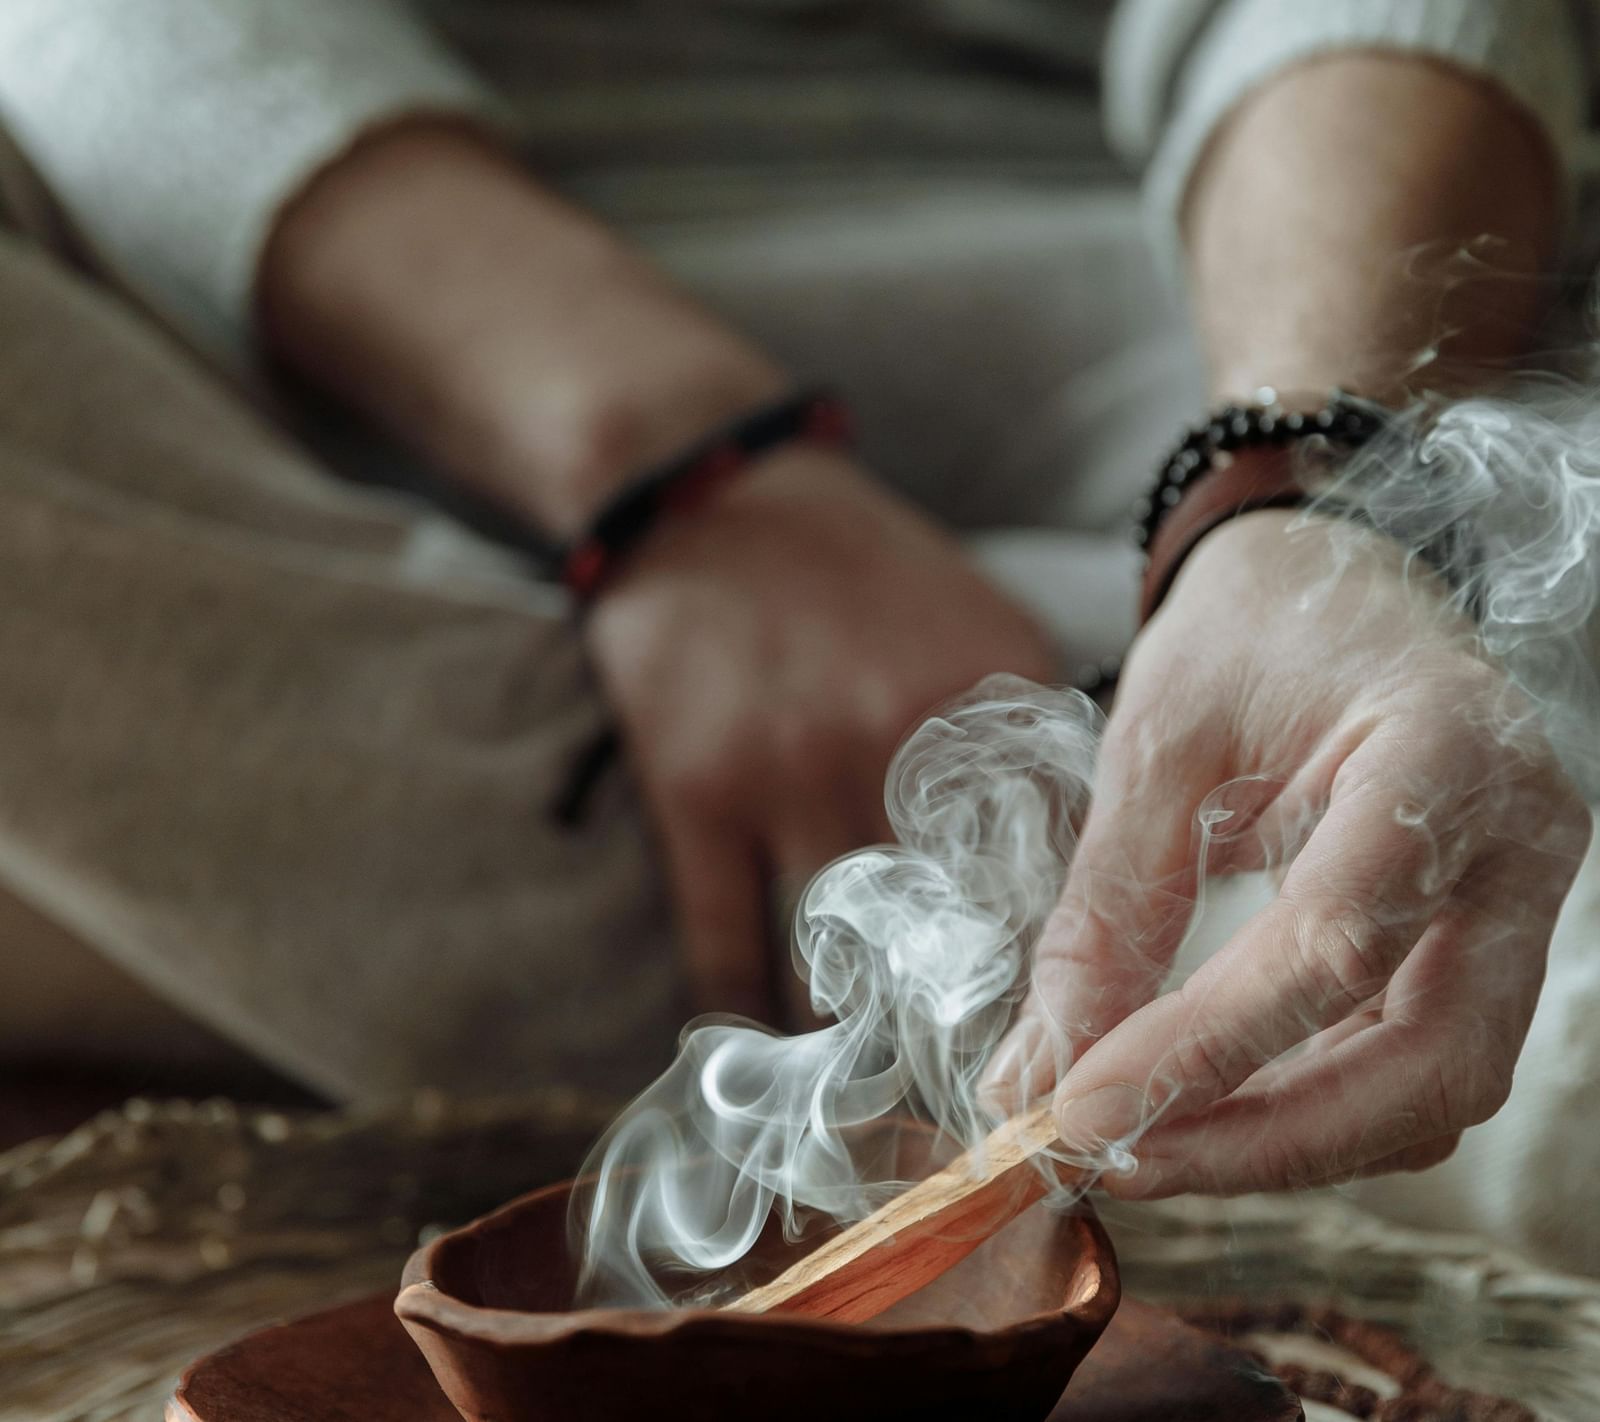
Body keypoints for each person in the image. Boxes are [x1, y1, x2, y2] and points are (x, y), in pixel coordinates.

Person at [0, 0, 1595, 1266]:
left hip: (1210, 270)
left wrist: (1293, 500)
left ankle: (244, 917)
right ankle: (1185, 984)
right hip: (247, 333)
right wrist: (690, 468)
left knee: (1525, 505)